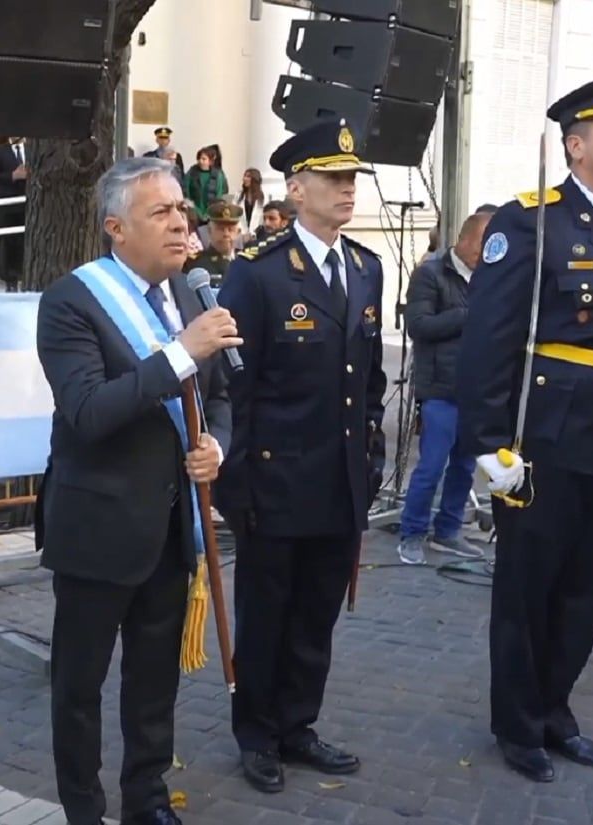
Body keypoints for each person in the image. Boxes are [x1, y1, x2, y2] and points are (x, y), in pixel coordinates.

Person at [456, 70, 593, 782]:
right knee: (530, 585)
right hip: (545, 438)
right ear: (576, 145)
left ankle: (556, 708)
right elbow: (490, 343)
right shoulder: (533, 221)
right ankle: (518, 722)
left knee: (586, 586)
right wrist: (491, 447)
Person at [35, 156, 237, 825]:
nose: (182, 223)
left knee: (153, 683)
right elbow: (88, 411)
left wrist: (216, 446)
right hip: (98, 529)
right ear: (117, 228)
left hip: (172, 526)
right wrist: (182, 352)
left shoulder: (190, 295)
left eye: (183, 210)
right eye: (163, 213)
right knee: (80, 687)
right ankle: (83, 808)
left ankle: (147, 799)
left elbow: (222, 398)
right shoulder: (72, 300)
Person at [217, 119, 387, 794]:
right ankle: (256, 732)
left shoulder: (366, 268)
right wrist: (238, 485)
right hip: (275, 477)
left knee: (316, 612)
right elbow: (238, 385)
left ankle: (297, 723)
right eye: (334, 179)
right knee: (267, 615)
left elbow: (369, 381)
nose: (348, 190)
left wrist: (369, 461)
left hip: (340, 479)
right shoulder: (257, 274)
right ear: (297, 187)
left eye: (352, 179)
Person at [396, 210, 493, 565]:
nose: (488, 253)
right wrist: (472, 314)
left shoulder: (492, 276)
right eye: (484, 244)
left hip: (476, 387)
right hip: (439, 387)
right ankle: (412, 533)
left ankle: (448, 531)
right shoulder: (430, 274)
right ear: (465, 239)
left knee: (465, 467)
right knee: (431, 465)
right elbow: (419, 325)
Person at [0, 136, 29, 290]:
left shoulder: (31, 151)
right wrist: (13, 176)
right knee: (9, 243)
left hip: (27, 204)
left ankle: (24, 276)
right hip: (8, 206)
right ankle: (10, 279)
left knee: (24, 242)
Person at [183, 199, 242, 286]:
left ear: (238, 233)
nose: (226, 234)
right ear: (209, 231)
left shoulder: (247, 262)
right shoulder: (193, 264)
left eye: (230, 230)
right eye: (220, 229)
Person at [184, 146, 228, 224]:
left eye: (204, 159)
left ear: (210, 161)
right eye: (199, 159)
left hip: (212, 215)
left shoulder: (218, 175)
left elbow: (219, 195)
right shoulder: (191, 172)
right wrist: (197, 212)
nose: (201, 161)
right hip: (194, 215)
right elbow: (187, 193)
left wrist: (209, 213)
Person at [236, 168, 266, 241]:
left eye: (248, 176)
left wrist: (254, 234)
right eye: (244, 176)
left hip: (258, 235)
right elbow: (235, 216)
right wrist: (243, 233)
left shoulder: (264, 196)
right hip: (242, 235)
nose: (244, 178)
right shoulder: (238, 195)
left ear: (255, 179)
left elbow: (263, 219)